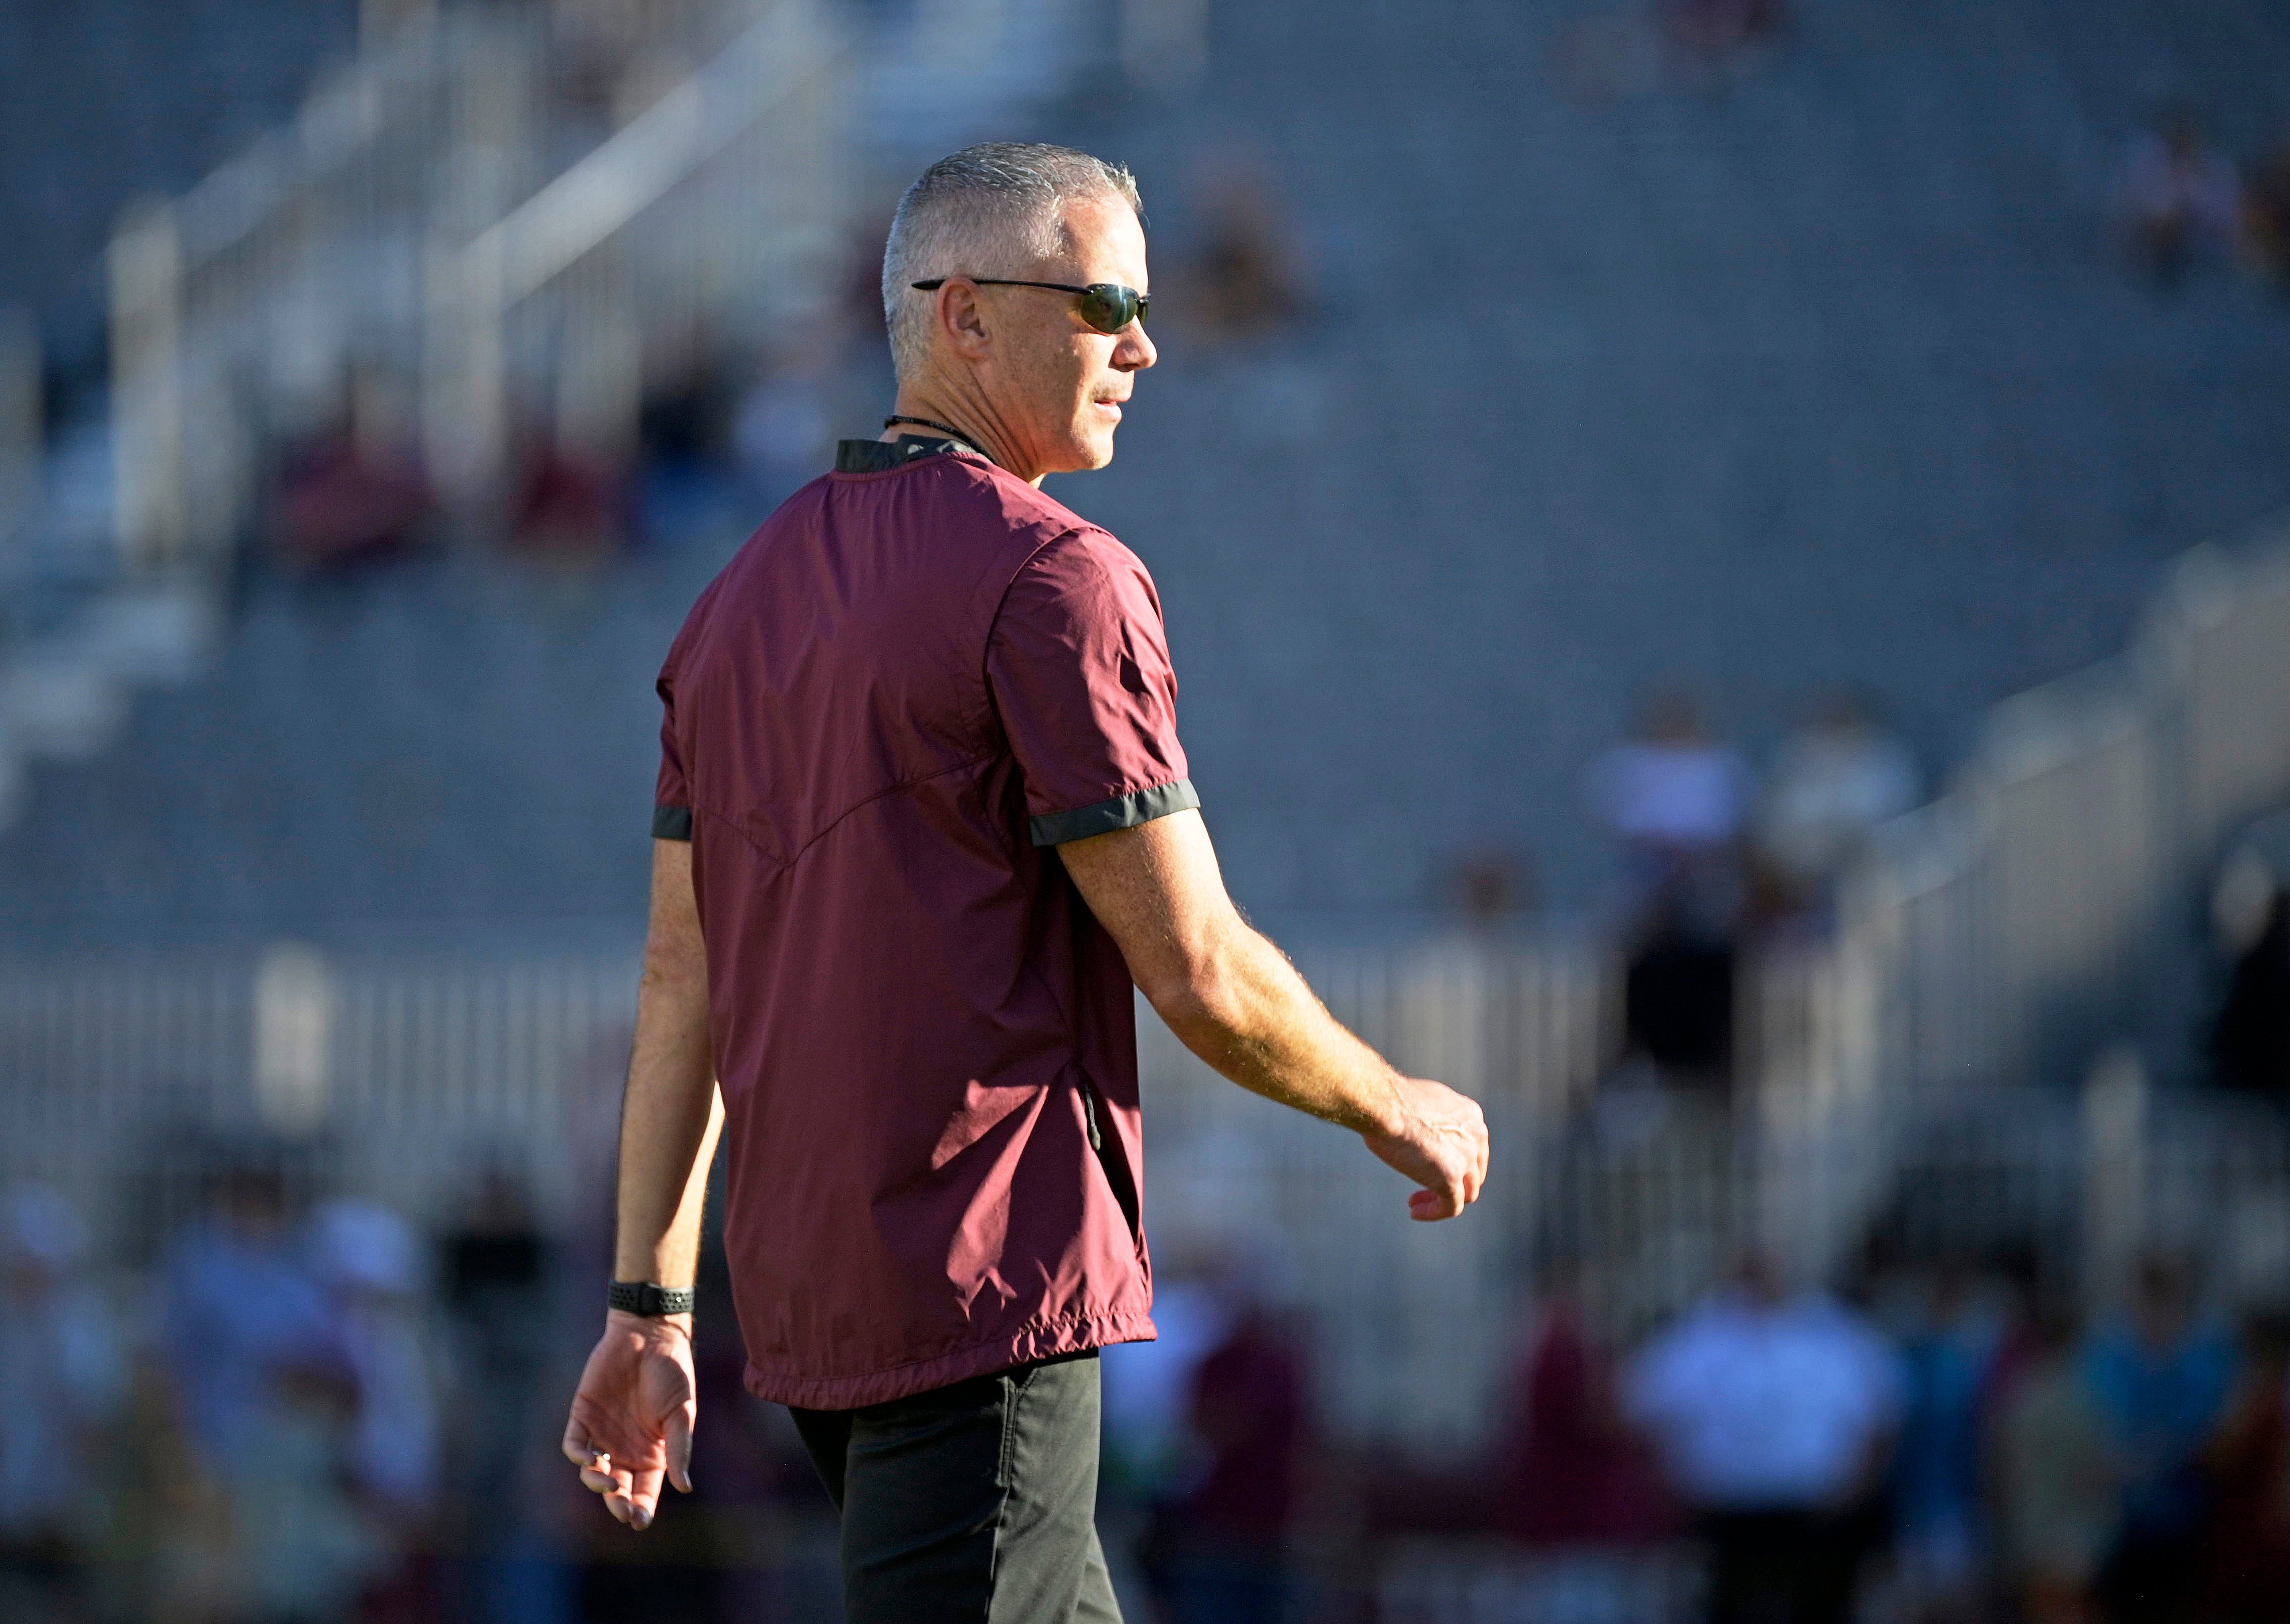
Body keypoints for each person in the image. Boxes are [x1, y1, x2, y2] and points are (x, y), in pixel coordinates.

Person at [558, 141, 1491, 1623]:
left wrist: (649, 1304)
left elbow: (685, 983)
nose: (1146, 342)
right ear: (966, 314)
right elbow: (1197, 969)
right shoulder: (1054, 577)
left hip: (814, 1302)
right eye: (1107, 300)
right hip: (978, 1290)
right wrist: (1395, 1099)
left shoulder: (732, 600)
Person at [1624, 1252, 1900, 1624]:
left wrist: (1857, 1488)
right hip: (1728, 1511)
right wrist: (1672, 1490)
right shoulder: (1698, 1335)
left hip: (1815, 1509)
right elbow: (1650, 1413)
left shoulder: (1837, 1333)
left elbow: (1882, 1413)